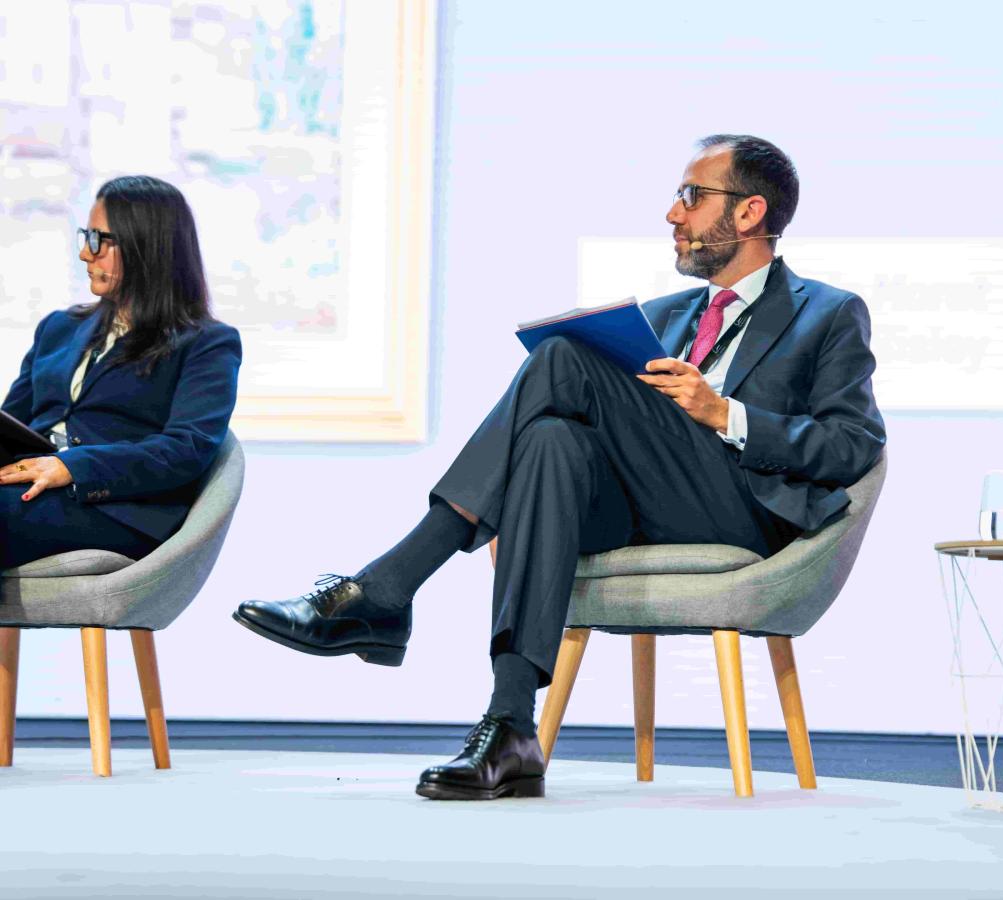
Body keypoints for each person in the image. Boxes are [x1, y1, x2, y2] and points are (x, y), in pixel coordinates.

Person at [234, 134, 885, 801]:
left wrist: (725, 413)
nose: (673, 214)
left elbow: (853, 444)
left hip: (742, 510)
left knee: (563, 356)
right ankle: (511, 726)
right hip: (643, 505)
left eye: (692, 196)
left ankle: (385, 589)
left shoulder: (827, 312)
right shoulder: (665, 315)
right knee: (551, 442)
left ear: (749, 212)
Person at [0, 176, 241, 570]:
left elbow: (186, 450)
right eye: (86, 237)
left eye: (98, 240)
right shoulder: (58, 327)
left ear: (146, 246)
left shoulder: (207, 343)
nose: (85, 253)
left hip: (115, 508)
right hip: (30, 483)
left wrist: (73, 466)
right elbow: (12, 423)